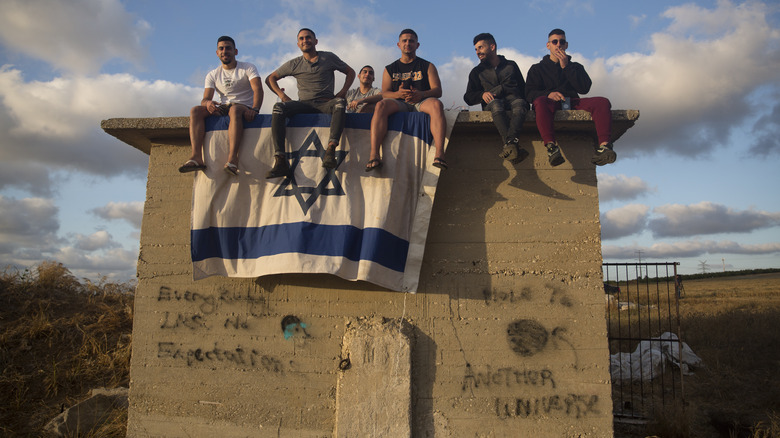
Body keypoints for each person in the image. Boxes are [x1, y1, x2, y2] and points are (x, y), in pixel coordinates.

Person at [265, 28, 355, 178]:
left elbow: (350, 72)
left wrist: (343, 91)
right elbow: (270, 78)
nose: (305, 41)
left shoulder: (329, 57)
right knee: (278, 108)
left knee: (340, 103)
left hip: (326, 103)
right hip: (304, 104)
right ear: (298, 44)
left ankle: (331, 150)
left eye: (308, 38)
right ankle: (280, 160)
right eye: (301, 39)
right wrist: (282, 95)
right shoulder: (294, 64)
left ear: (315, 41)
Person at [525, 28, 616, 167]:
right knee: (540, 101)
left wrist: (566, 67)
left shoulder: (575, 66)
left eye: (562, 42)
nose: (558, 45)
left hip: (572, 101)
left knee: (602, 102)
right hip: (549, 103)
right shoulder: (537, 69)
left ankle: (604, 147)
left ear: (566, 45)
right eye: (554, 42)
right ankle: (551, 147)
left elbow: (584, 88)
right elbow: (529, 94)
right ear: (548, 45)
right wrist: (548, 94)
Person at [178, 36, 263, 176]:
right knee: (195, 111)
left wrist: (255, 109)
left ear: (235, 51)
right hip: (223, 106)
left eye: (228, 48)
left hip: (243, 106)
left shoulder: (248, 67)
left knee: (234, 110)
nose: (225, 51)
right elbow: (205, 99)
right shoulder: (212, 74)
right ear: (217, 53)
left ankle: (232, 159)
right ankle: (196, 157)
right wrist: (208, 103)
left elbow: (258, 89)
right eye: (221, 48)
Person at [366, 29, 448, 172]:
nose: (407, 43)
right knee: (380, 105)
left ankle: (439, 154)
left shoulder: (427, 66)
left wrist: (421, 94)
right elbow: (385, 93)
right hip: (400, 103)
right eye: (404, 41)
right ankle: (374, 154)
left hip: (421, 101)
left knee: (436, 104)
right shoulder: (390, 68)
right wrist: (398, 94)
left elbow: (438, 91)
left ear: (417, 45)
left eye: (411, 41)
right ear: (398, 45)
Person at [464, 33, 530, 163]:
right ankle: (513, 145)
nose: (478, 52)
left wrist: (527, 103)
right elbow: (468, 97)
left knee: (520, 103)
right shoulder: (476, 72)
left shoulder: (511, 65)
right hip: (493, 105)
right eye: (476, 49)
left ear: (492, 46)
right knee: (495, 104)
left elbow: (523, 89)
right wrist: (481, 95)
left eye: (481, 48)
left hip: (514, 101)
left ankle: (510, 146)